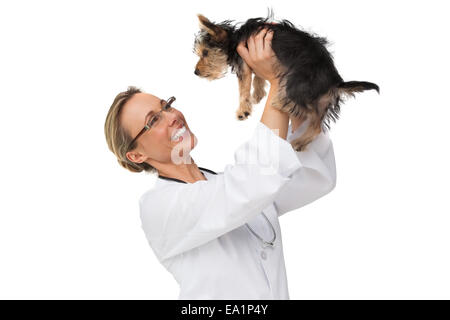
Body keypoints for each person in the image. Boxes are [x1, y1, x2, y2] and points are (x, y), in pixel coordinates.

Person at [104, 27, 336, 299]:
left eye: (166, 105)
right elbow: (255, 181)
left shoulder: (224, 185)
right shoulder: (158, 208)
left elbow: (313, 178)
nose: (171, 116)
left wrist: (300, 89)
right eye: (153, 120)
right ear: (136, 155)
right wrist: (280, 82)